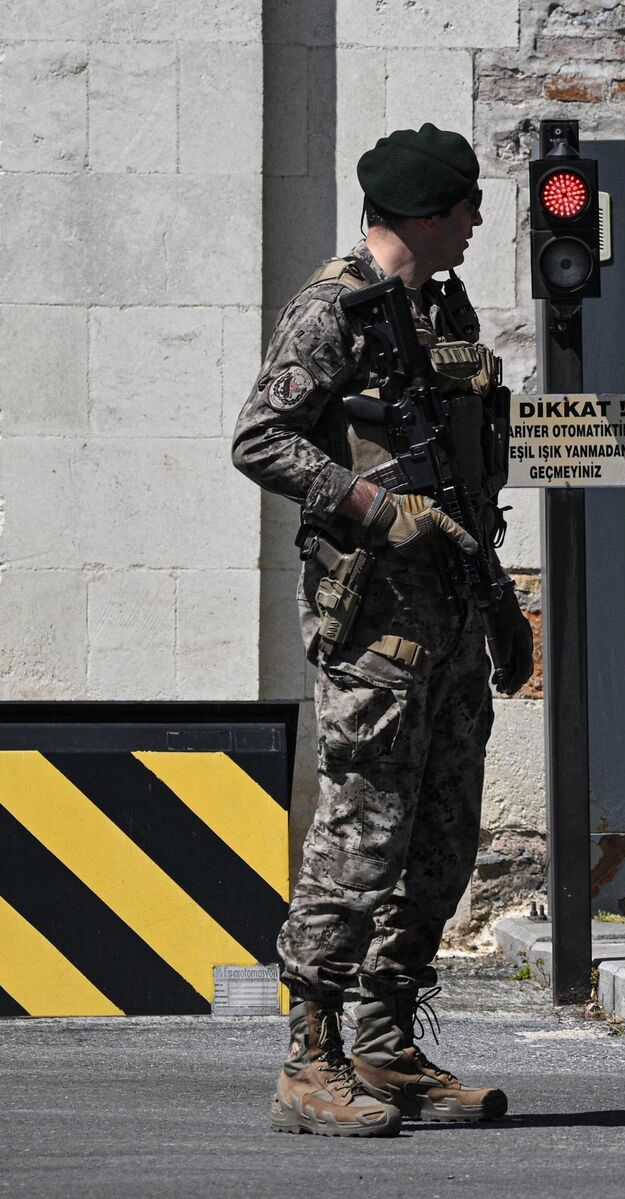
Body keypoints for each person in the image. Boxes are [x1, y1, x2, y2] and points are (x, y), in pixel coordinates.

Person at [234, 123, 533, 1136]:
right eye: (465, 207)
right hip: (375, 633)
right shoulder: (333, 311)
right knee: (358, 843)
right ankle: (308, 1060)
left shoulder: (441, 309)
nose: (476, 224)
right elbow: (259, 436)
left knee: (445, 846)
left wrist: (500, 606)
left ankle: (387, 1040)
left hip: (449, 619)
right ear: (423, 211)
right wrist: (367, 505)